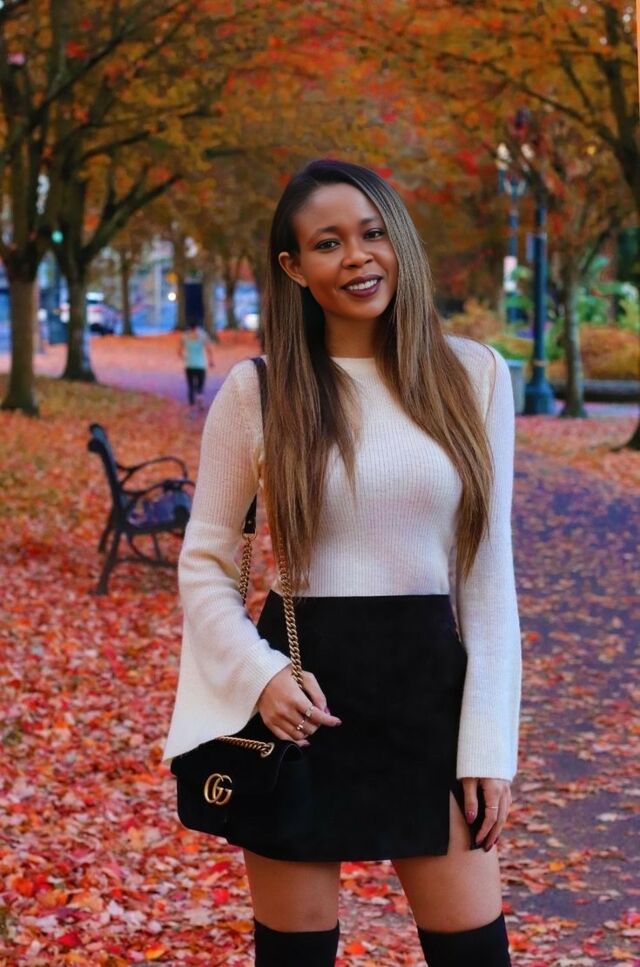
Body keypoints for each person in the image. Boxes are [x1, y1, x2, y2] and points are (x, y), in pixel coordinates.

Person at [164, 159, 522, 966]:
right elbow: (205, 563)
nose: (357, 256)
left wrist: (488, 746)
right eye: (328, 243)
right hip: (299, 698)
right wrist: (259, 676)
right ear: (294, 267)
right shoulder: (258, 392)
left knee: (474, 954)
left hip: (429, 693)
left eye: (372, 233)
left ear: (399, 241)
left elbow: (488, 576)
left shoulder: (474, 375)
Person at [178, 319, 214, 410]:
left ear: (189, 327)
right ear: (197, 326)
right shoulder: (203, 335)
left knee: (190, 385)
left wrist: (185, 358)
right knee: (200, 384)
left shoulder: (185, 336)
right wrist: (211, 361)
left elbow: (179, 352)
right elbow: (209, 349)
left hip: (189, 365)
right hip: (200, 365)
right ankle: (200, 396)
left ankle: (191, 404)